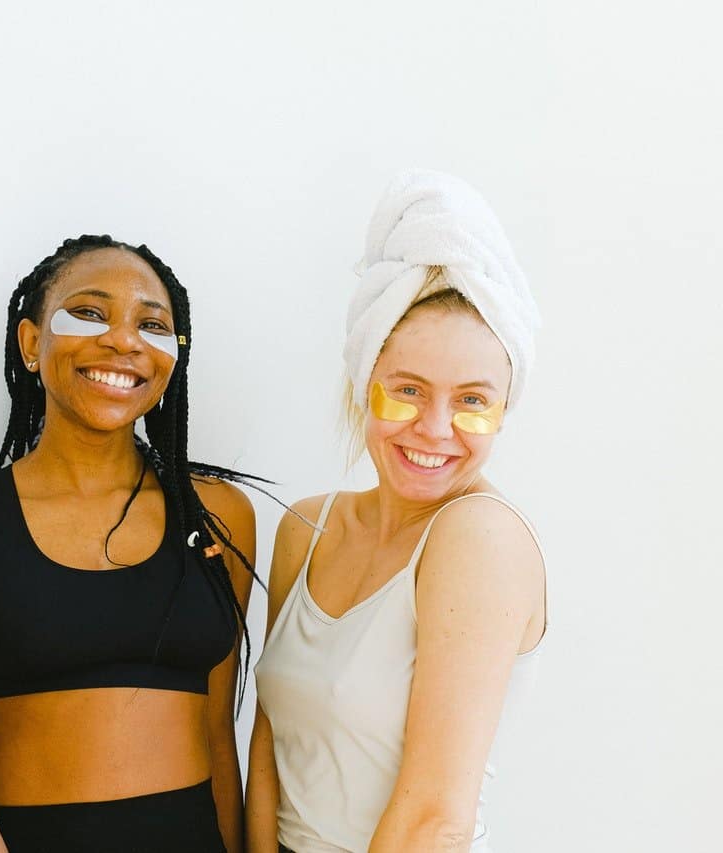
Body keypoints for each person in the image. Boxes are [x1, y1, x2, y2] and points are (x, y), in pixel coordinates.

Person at [0, 235, 257, 853]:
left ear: (172, 357)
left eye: (150, 324)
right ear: (29, 344)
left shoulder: (218, 517)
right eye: (91, 313)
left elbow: (219, 739)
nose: (123, 340)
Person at [247, 170, 548, 853]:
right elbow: (270, 749)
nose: (436, 429)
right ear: (365, 384)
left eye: (473, 400)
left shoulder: (480, 538)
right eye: (407, 391)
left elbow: (434, 818)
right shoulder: (307, 528)